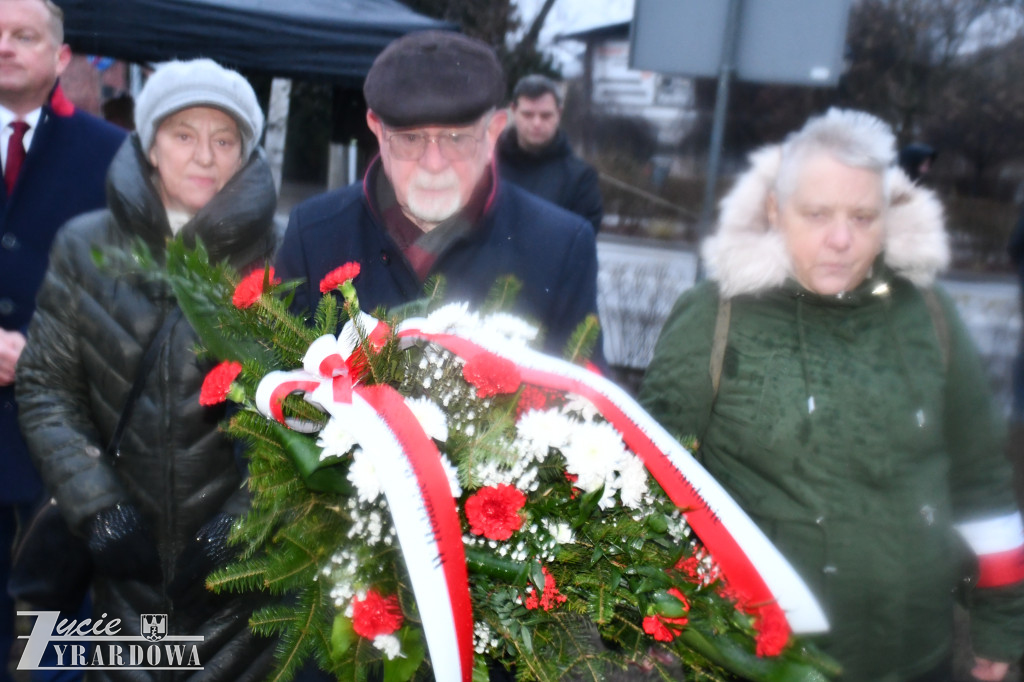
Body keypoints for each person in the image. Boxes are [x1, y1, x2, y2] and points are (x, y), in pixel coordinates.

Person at [639, 109, 1024, 682]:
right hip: (753, 660)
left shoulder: (928, 315)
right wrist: (656, 616)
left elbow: (978, 479)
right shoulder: (716, 315)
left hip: (915, 658)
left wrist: (999, 622)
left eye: (863, 217)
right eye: (817, 214)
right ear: (776, 210)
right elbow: (651, 484)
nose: (841, 240)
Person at [15, 58, 278, 681]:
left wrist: (245, 526)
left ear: (245, 153)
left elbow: (315, 411)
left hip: (247, 603)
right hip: (119, 589)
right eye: (183, 135)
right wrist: (97, 505)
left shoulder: (285, 250)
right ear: (150, 145)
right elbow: (48, 385)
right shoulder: (85, 246)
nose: (205, 156)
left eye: (224, 139)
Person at [276, 32, 601, 357]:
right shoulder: (314, 234)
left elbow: (588, 400)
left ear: (493, 133)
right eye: (410, 139)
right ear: (376, 128)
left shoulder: (561, 247)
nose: (433, 164)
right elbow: (267, 388)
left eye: (457, 138)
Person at [0, 0, 125, 675]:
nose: (7, 47)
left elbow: (137, 292)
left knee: (54, 638)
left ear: (62, 57)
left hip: (69, 443)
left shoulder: (113, 157)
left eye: (24, 35)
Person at [496, 74, 603, 232]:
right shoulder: (487, 166)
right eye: (528, 114)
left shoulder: (581, 179)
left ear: (559, 114)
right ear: (513, 111)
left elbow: (581, 242)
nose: (537, 123)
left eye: (545, 115)